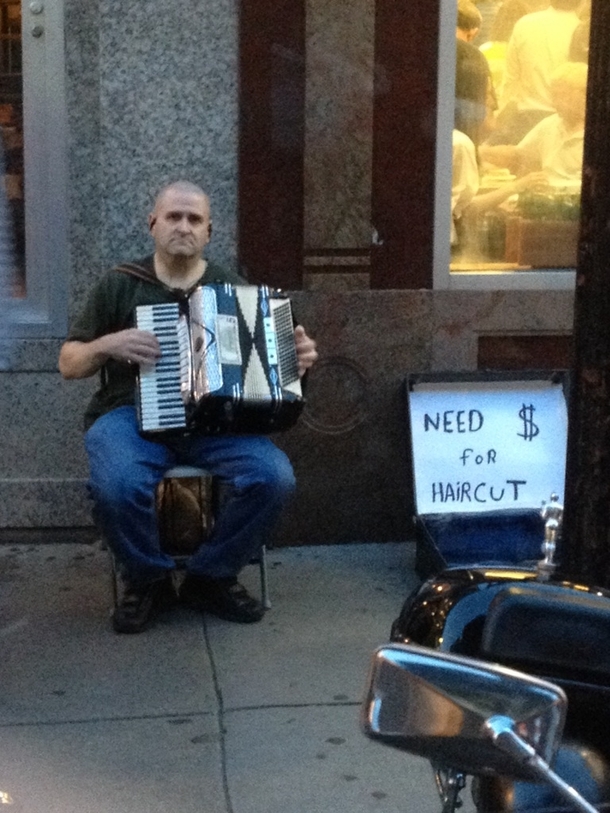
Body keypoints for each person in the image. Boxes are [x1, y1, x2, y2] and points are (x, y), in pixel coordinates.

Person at [58, 180, 318, 634]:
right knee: (117, 485)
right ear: (152, 223)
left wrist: (297, 359)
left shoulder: (233, 289)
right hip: (129, 415)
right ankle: (148, 578)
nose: (183, 226)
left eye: (194, 219)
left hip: (215, 425)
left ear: (209, 232)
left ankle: (211, 575)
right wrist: (108, 343)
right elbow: (68, 364)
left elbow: (275, 373)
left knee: (273, 477)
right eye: (173, 217)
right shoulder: (120, 285)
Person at [480, 61, 587, 187]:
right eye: (554, 96)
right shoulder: (549, 125)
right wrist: (480, 152)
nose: (555, 103)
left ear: (585, 94)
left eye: (562, 96)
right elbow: (518, 155)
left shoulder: (600, 131)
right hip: (547, 198)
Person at [490, 0, 583, 144]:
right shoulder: (582, 31)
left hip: (526, 119)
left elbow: (510, 81)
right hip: (566, 121)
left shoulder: (525, 24)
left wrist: (500, 118)